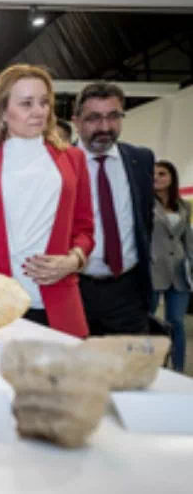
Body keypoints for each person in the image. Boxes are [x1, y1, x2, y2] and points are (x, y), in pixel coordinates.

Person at [0, 64, 94, 338]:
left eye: (44, 102)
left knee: (67, 366)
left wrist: (74, 260)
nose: (38, 111)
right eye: (26, 103)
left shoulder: (73, 160)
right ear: (3, 111)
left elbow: (84, 228)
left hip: (58, 301)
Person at [72, 82, 155, 335]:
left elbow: (145, 220)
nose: (105, 127)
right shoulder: (59, 165)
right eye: (94, 118)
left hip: (128, 292)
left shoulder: (141, 160)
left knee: (130, 361)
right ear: (76, 122)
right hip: (75, 289)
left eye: (113, 116)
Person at [150, 160, 191, 371]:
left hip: (180, 272)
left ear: (172, 177)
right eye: (153, 174)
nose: (156, 177)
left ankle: (178, 369)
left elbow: (187, 239)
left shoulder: (183, 206)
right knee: (148, 319)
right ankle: (150, 366)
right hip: (152, 269)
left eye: (162, 173)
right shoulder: (144, 203)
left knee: (176, 321)